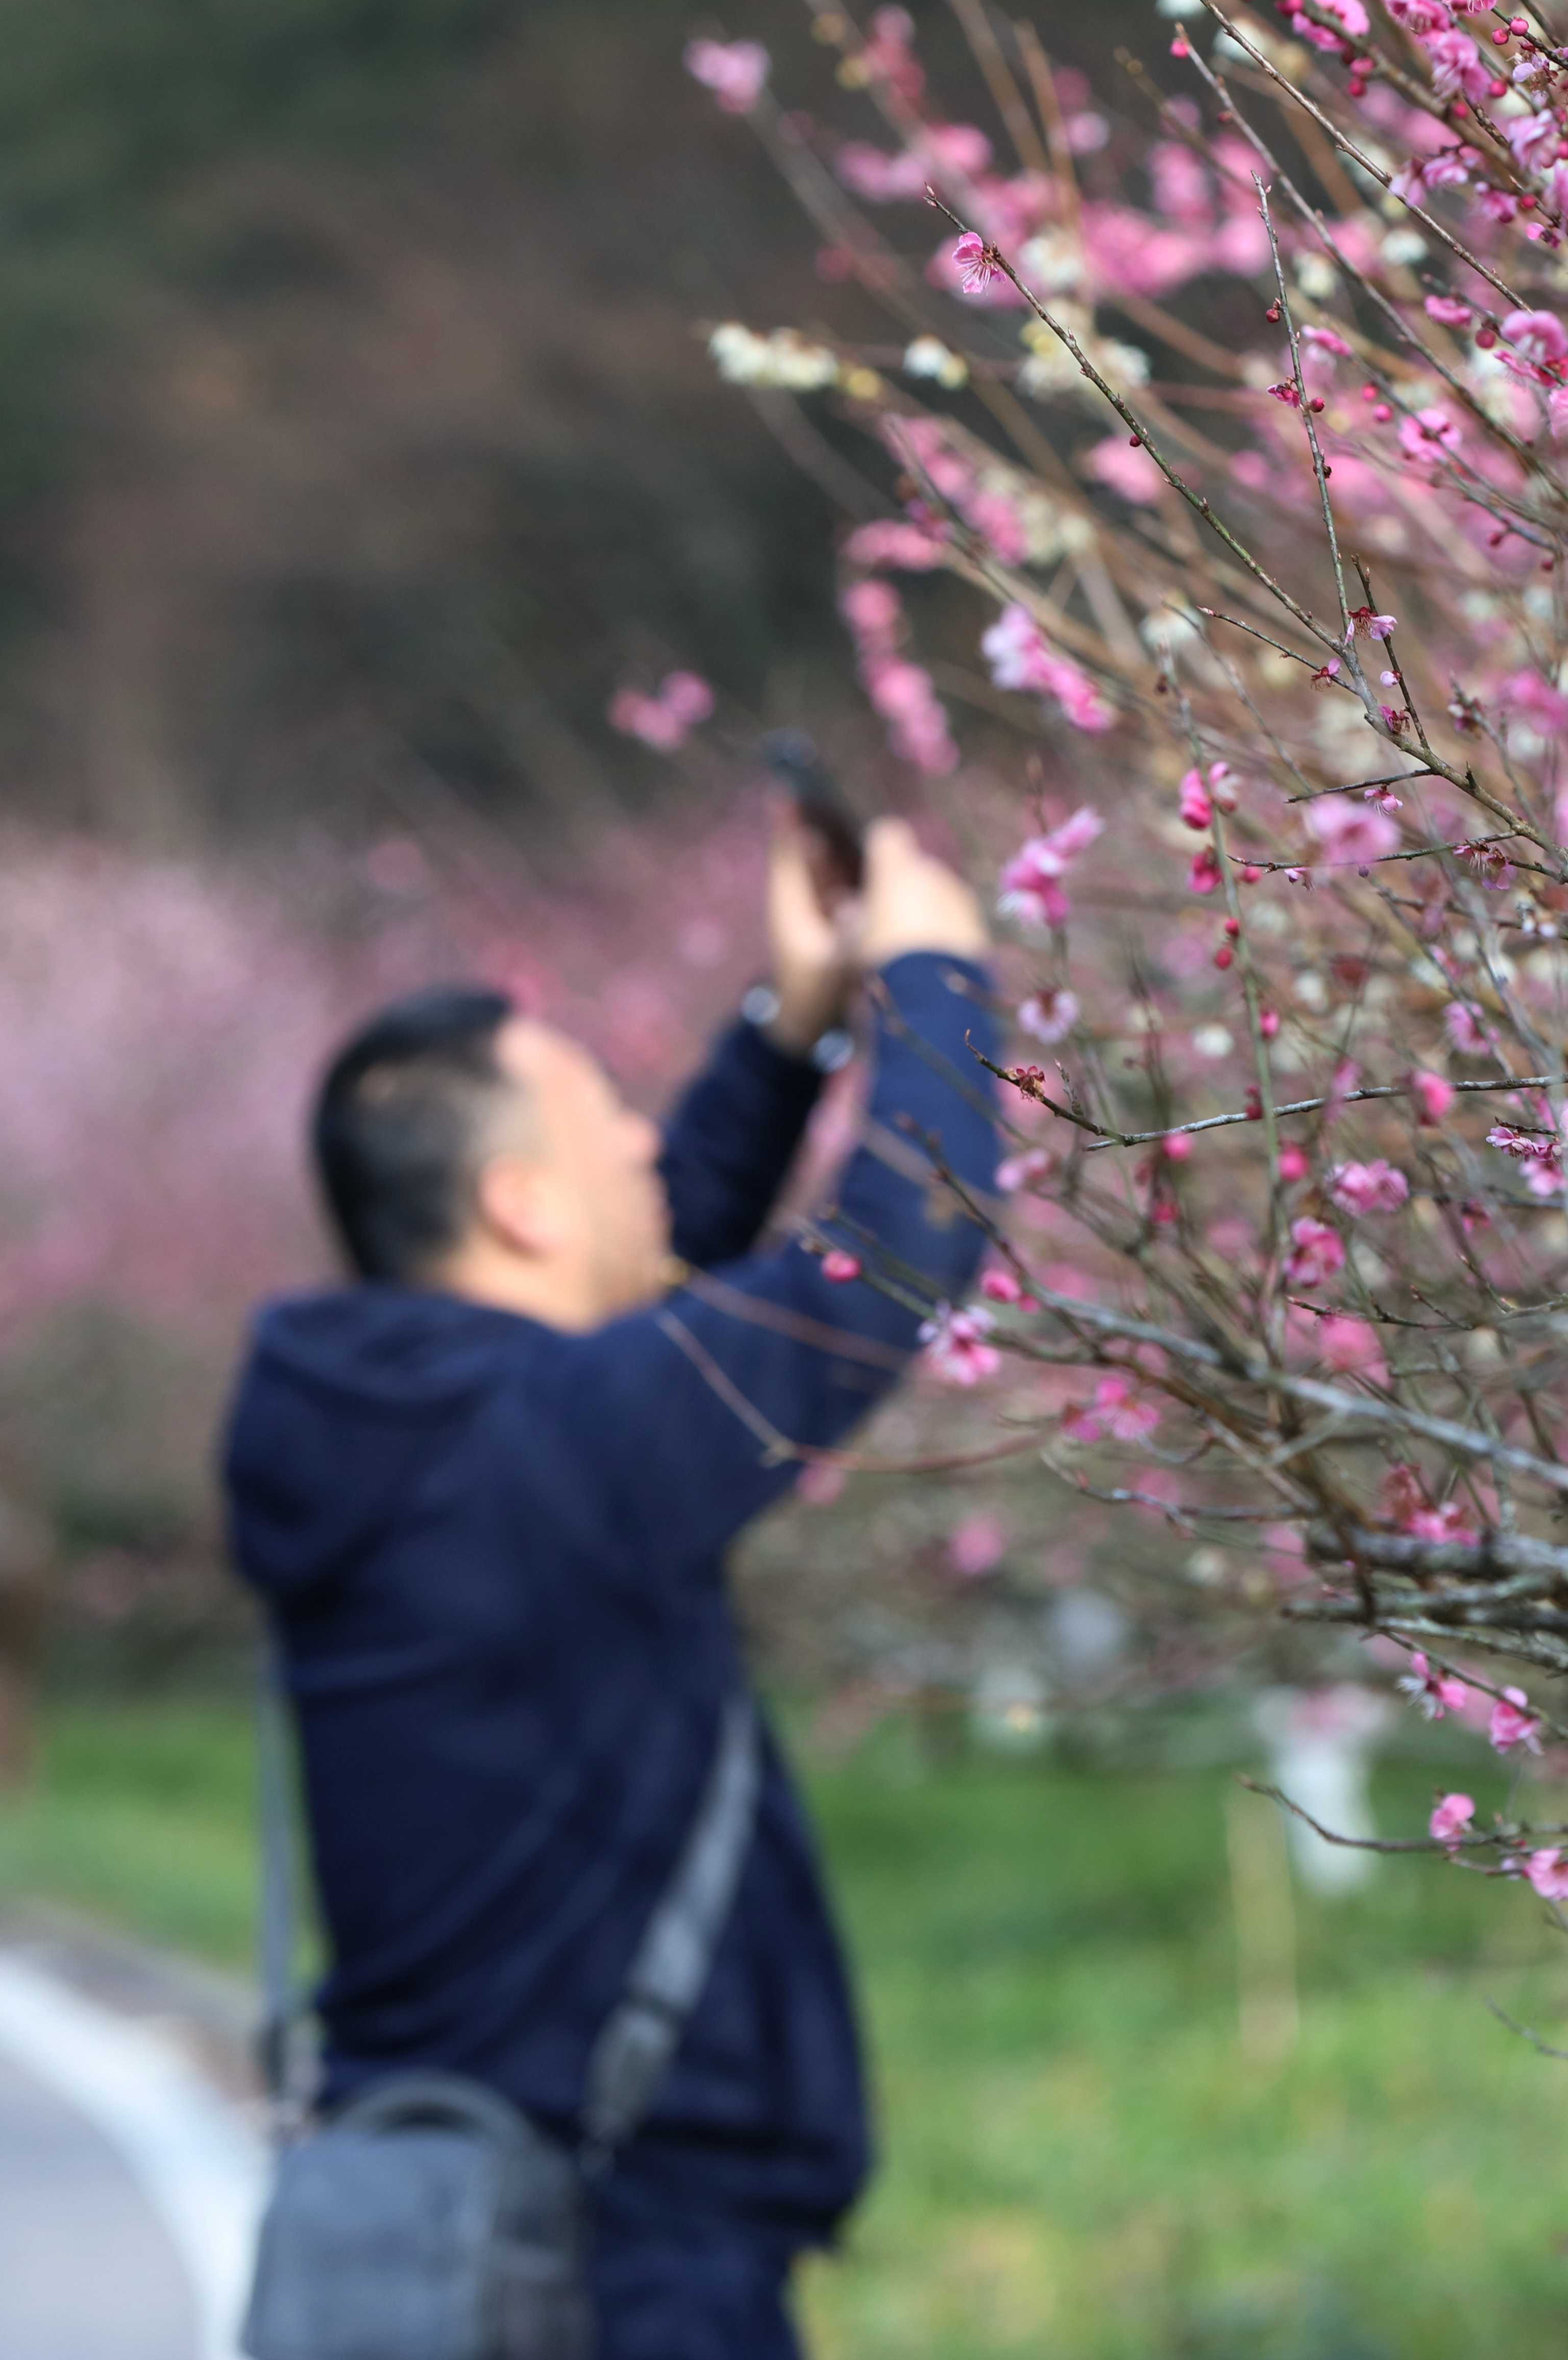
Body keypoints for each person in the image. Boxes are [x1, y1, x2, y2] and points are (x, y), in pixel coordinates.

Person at [222, 808, 999, 2358]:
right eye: (606, 1119)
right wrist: (933, 969)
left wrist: (792, 1030)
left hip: (453, 2226)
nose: (653, 1138)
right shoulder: (558, 1442)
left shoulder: (377, 1424)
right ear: (518, 1200)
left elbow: (644, 1270)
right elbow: (893, 1247)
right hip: (626, 2271)